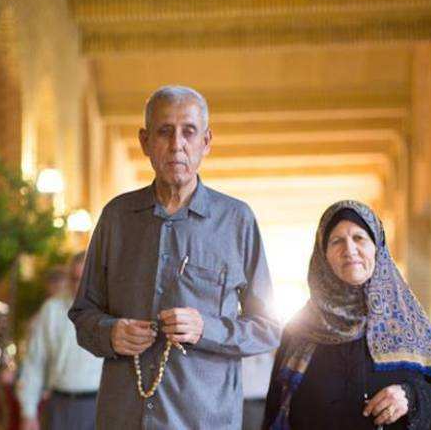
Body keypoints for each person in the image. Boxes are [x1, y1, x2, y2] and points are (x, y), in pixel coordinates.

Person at [69, 85, 281, 429]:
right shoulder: (116, 217)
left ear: (206, 142)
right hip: (123, 417)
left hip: (205, 420)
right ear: (145, 142)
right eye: (164, 132)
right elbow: (82, 313)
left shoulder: (237, 220)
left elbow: (268, 328)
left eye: (189, 132)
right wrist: (110, 333)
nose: (176, 144)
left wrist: (206, 328)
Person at [263, 201, 431, 429]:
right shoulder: (300, 330)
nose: (349, 250)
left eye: (359, 238)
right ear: (323, 255)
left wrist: (411, 397)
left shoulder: (407, 322)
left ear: (377, 249)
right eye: (336, 241)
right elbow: (275, 408)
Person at [17, 253, 103, 430]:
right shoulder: (52, 309)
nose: (79, 286)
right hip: (60, 405)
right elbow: (34, 362)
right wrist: (28, 413)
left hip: (101, 405)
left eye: (84, 279)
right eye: (74, 279)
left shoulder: (111, 309)